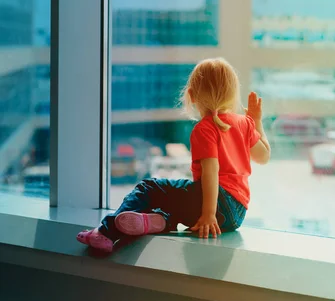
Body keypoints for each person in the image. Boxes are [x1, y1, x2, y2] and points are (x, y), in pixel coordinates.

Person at [76, 58, 271, 253]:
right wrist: (257, 122)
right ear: (232, 94)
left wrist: (209, 214)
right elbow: (264, 156)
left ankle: (105, 232)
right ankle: (160, 220)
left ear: (192, 95)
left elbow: (211, 172)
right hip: (236, 214)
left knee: (150, 188)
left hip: (213, 206)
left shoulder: (205, 128)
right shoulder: (244, 123)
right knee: (175, 203)